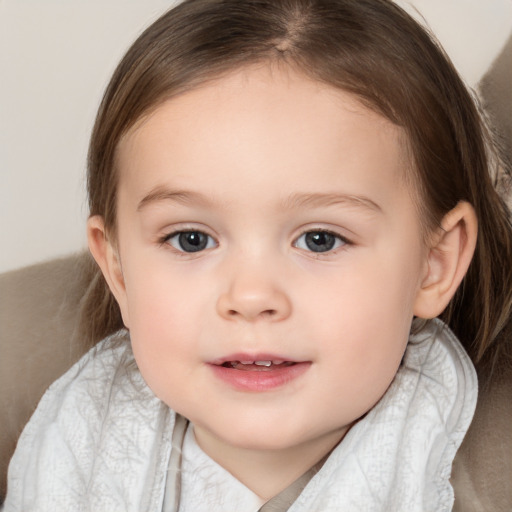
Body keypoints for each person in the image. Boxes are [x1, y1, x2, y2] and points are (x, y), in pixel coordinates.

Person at [4, 0, 512, 510]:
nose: (250, 297)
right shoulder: (70, 445)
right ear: (117, 269)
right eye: (191, 239)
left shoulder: (486, 474)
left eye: (320, 239)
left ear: (435, 263)